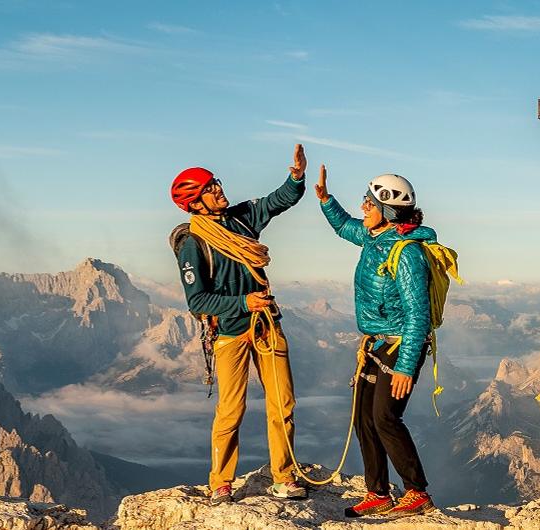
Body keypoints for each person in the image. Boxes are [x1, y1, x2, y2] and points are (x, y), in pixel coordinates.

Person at [168, 144, 309, 503]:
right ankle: (221, 481)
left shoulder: (241, 218)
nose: (218, 189)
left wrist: (295, 177)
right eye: (209, 188)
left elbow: (276, 201)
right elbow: (197, 302)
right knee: (231, 409)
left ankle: (284, 476)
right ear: (195, 203)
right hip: (230, 331)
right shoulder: (193, 245)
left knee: (283, 403)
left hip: (266, 324)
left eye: (215, 183)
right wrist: (244, 301)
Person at [314, 166, 440, 517]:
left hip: (401, 345)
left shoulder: (407, 253)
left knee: (385, 417)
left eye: (368, 202)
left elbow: (419, 315)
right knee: (364, 418)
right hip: (375, 343)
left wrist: (405, 367)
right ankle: (378, 493)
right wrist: (325, 198)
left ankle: (417, 492)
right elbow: (343, 226)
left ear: (386, 210)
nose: (363, 207)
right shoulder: (374, 238)